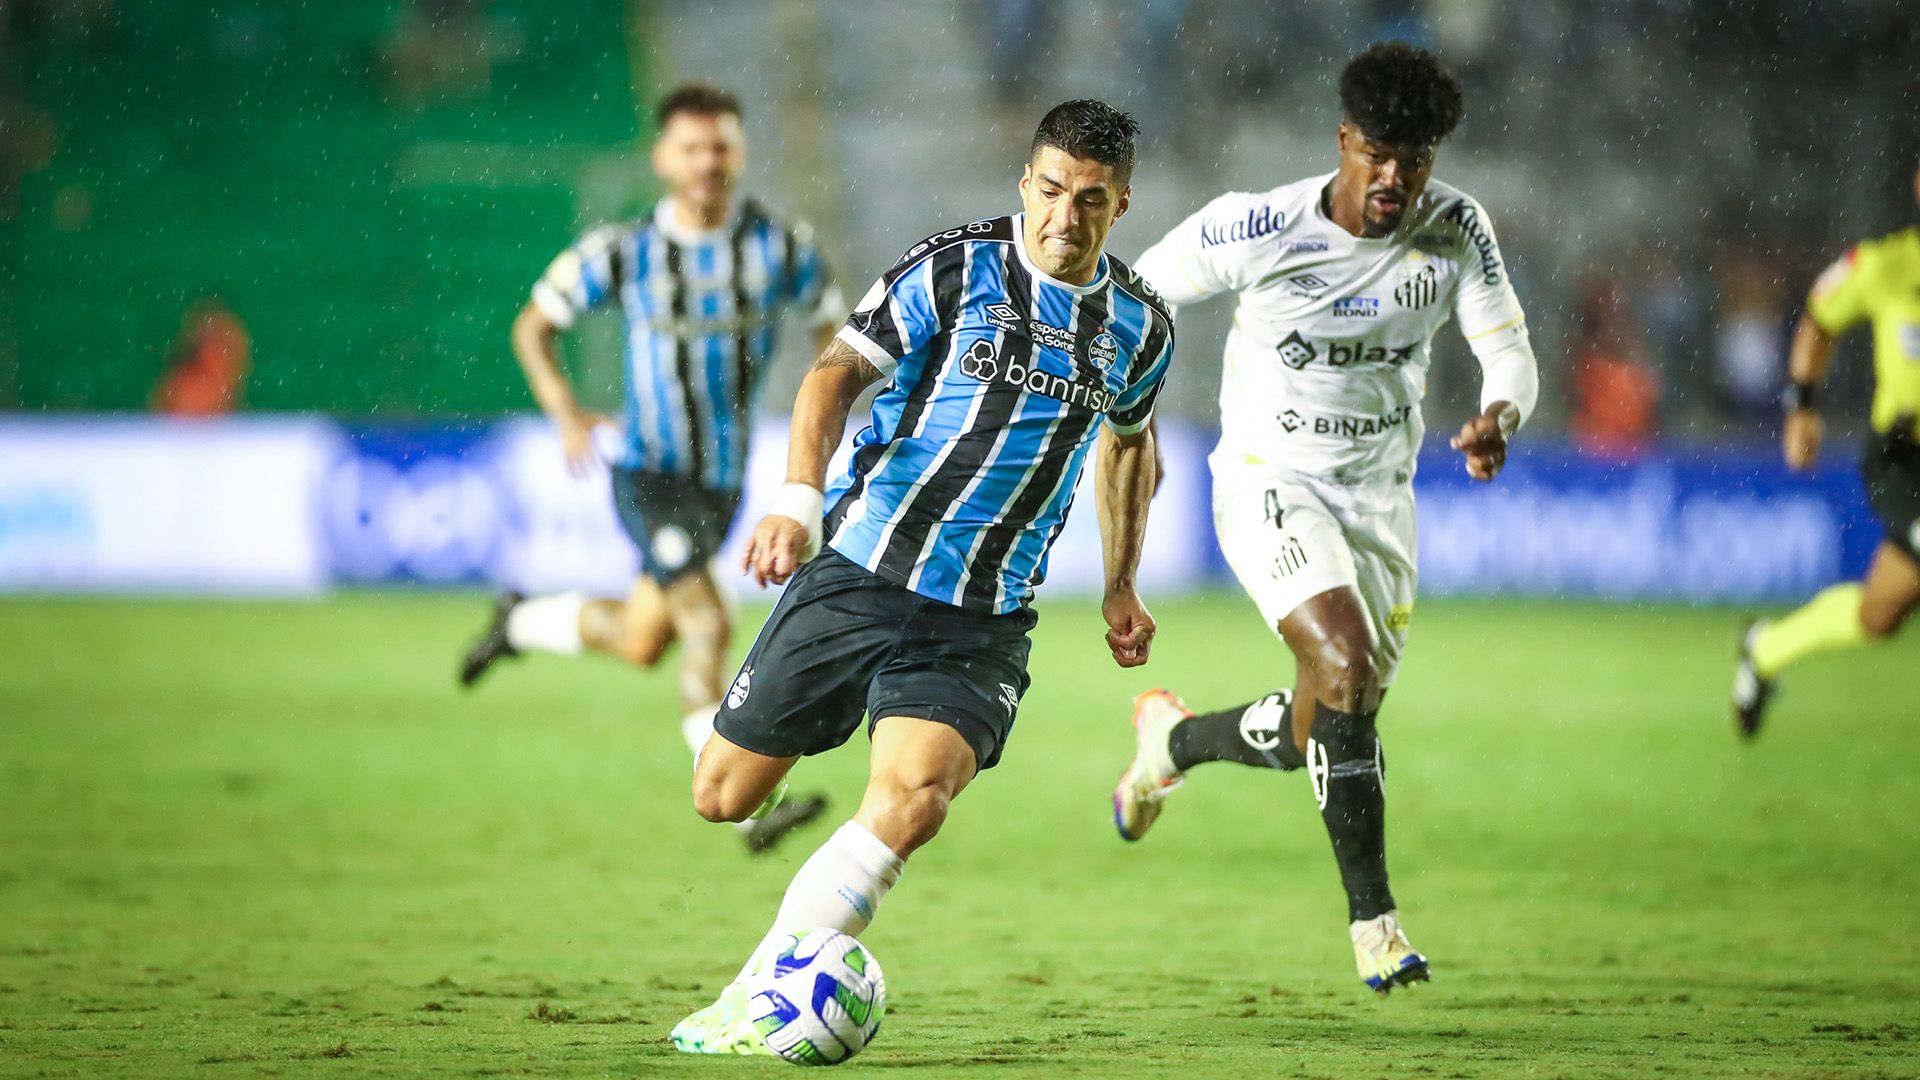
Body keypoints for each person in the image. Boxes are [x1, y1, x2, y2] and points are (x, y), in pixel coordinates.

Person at [669, 99, 1172, 1054]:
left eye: (1092, 201)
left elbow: (1128, 449)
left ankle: (759, 990)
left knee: (915, 797)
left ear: (1121, 205)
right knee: (722, 796)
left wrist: (1120, 582)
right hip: (860, 572)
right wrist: (795, 502)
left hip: (981, 619)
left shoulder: (1140, 327)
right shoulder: (954, 267)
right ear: (1028, 183)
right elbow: (829, 377)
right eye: (1053, 191)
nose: (1067, 218)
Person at [1109, 42, 1539, 995]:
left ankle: (1169, 745)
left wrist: (1501, 415)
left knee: (1324, 726)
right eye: (1378, 152)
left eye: (1416, 157)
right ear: (1343, 140)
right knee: (1343, 664)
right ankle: (1377, 927)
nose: (1395, 177)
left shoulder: (1455, 227)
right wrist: (1115, 402)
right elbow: (1133, 295)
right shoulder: (1259, 226)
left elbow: (1510, 353)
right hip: (1269, 478)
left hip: (1382, 502)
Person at [458, 81, 843, 853]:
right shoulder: (624, 251)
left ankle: (520, 619)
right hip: (649, 473)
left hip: (722, 482)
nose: (708, 161)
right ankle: (744, 796)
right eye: (692, 147)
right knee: (707, 618)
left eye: (721, 145)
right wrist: (565, 409)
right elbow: (533, 328)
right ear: (664, 157)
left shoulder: (781, 248)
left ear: (739, 152)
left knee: (644, 639)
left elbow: (839, 338)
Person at [1730, 162, 1920, 736]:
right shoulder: (1886, 264)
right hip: (1906, 458)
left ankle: (1766, 649)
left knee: (1879, 614)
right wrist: (1802, 406)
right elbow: (1819, 320)